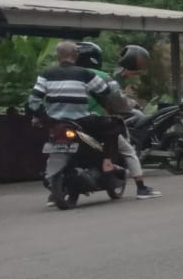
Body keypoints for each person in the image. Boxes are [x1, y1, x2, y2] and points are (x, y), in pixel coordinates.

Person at [27, 41, 134, 204]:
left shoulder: (46, 74)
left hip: (55, 122)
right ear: (75, 56)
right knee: (115, 124)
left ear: (58, 56)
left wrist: (42, 115)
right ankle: (107, 162)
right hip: (81, 121)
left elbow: (34, 99)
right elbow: (105, 92)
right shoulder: (84, 73)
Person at [77, 41, 159, 199]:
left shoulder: (64, 74)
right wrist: (130, 105)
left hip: (67, 121)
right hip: (94, 123)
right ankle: (141, 188)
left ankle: (54, 194)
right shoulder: (99, 76)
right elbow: (116, 101)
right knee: (128, 150)